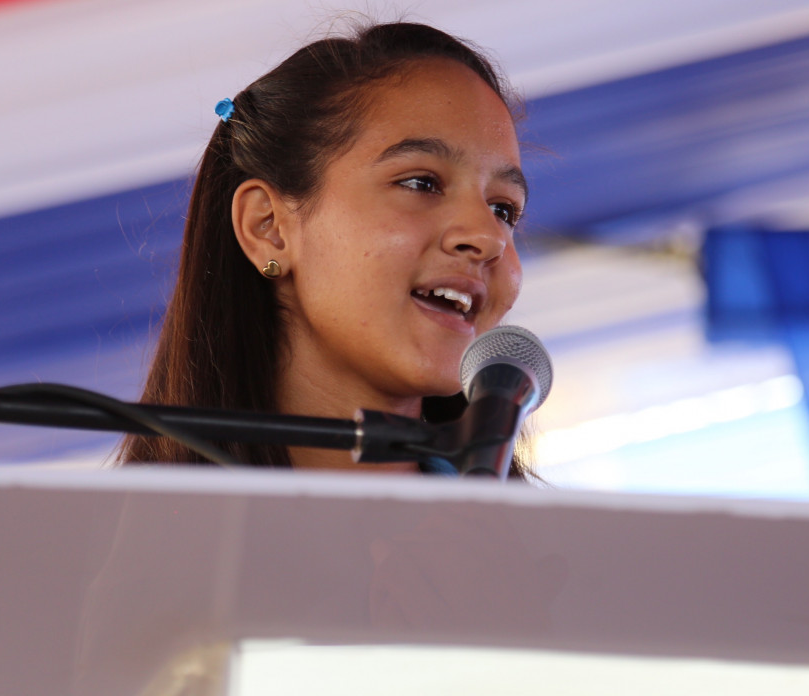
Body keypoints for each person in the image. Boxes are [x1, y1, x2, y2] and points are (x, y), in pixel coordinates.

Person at [120, 21, 533, 478]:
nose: (489, 237)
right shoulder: (143, 523)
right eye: (421, 183)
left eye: (504, 210)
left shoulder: (534, 526)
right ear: (268, 228)